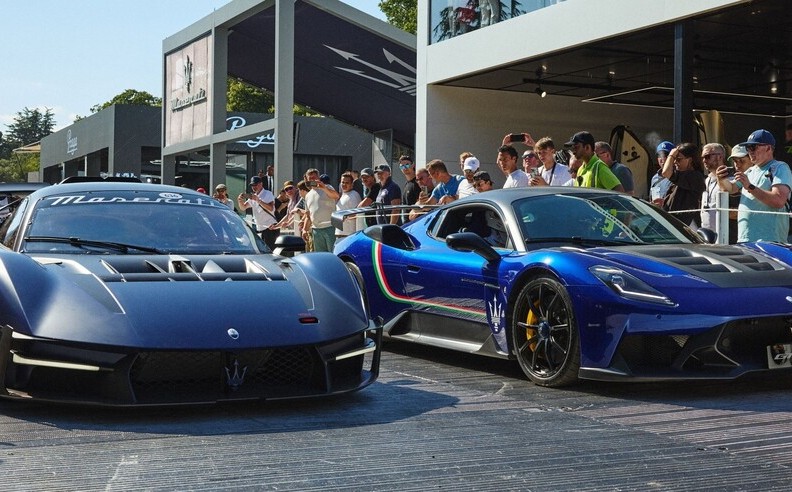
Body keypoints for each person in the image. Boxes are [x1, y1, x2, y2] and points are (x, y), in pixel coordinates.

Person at [716, 129, 792, 243]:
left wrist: (750, 187)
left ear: (768, 148)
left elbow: (778, 200)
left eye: (753, 147)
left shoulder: (780, 168)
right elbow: (731, 189)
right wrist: (721, 179)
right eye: (748, 148)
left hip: (770, 240)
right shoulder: (750, 171)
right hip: (745, 239)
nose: (749, 151)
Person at [661, 142, 706, 227]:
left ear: (690, 160)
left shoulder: (695, 176)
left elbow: (666, 172)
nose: (675, 162)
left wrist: (671, 155)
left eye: (678, 159)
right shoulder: (682, 176)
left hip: (687, 224)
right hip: (675, 221)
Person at [700, 143, 738, 243]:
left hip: (727, 237)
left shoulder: (731, 178)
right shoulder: (707, 180)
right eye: (702, 157)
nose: (704, 160)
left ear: (720, 156)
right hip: (707, 237)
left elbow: (737, 210)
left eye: (707, 156)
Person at [303, 168, 340, 252]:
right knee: (321, 256)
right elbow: (308, 215)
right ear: (307, 180)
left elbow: (336, 196)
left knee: (333, 254)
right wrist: (304, 229)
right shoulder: (308, 195)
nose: (312, 180)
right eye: (310, 178)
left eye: (314, 178)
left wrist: (324, 188)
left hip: (330, 227)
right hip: (316, 230)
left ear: (318, 178)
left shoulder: (327, 187)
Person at [237, 176, 279, 250]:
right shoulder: (253, 196)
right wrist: (240, 201)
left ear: (261, 184)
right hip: (260, 228)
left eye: (255, 185)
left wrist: (258, 200)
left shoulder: (267, 194)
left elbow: (271, 208)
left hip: (270, 228)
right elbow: (243, 207)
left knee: (270, 251)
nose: (254, 187)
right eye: (252, 185)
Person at [335, 172, 361, 243]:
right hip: (339, 233)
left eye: (347, 183)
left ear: (352, 184)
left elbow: (358, 213)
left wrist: (345, 216)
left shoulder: (354, 195)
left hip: (349, 234)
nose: (344, 184)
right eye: (342, 182)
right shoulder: (342, 195)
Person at [650, 141, 674, 206]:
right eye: (660, 155)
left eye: (666, 155)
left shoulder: (677, 176)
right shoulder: (654, 178)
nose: (663, 159)